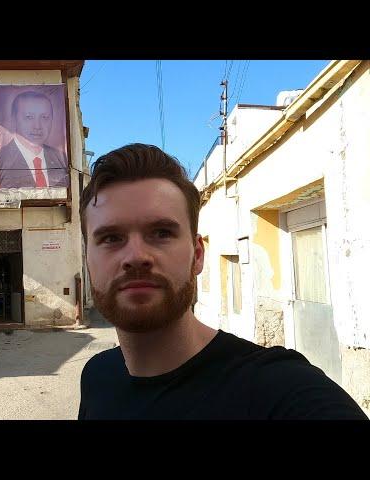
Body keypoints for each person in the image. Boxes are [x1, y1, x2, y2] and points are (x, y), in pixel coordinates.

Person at [77, 143, 368, 420]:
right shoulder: (97, 378)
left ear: (198, 255)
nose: (136, 256)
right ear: (87, 258)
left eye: (162, 233)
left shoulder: (281, 391)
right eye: (111, 238)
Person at [0, 91, 68, 188]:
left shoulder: (62, 160)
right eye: (29, 117)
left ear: (52, 120)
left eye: (44, 117)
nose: (37, 126)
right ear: (14, 120)